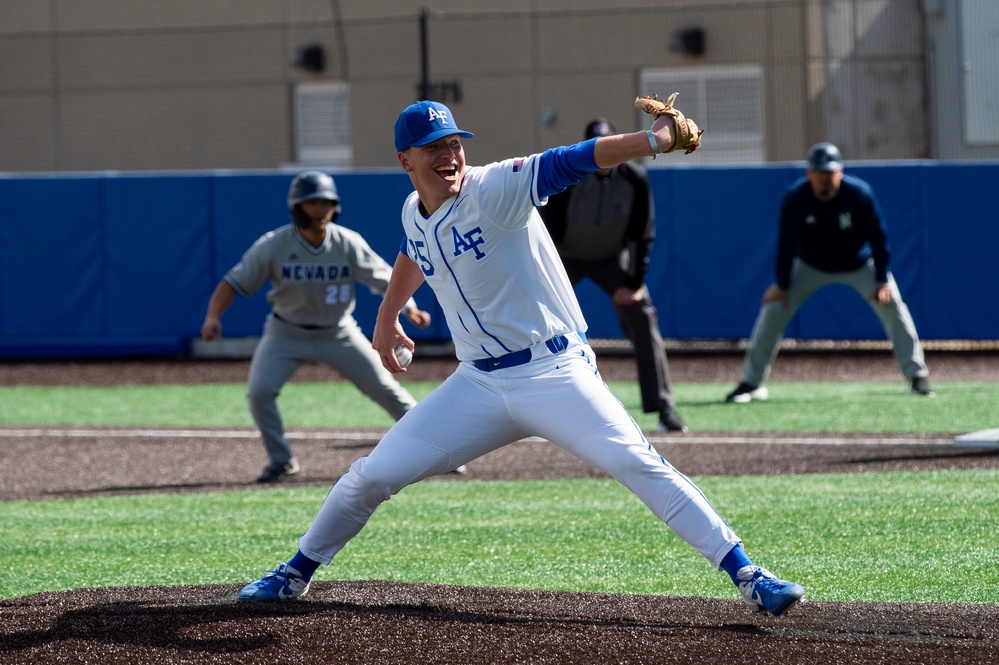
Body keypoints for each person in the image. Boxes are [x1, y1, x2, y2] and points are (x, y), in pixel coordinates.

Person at [235, 100, 805, 617]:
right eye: (434, 148)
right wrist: (386, 320)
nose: (449, 155)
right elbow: (416, 252)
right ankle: (296, 572)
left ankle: (748, 574)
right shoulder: (414, 209)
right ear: (405, 160)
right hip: (477, 386)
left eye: (454, 143)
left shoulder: (494, 189)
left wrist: (651, 141)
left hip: (554, 371)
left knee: (635, 461)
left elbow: (571, 160)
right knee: (369, 476)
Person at [200, 170, 439, 483]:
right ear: (297, 207)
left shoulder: (346, 242)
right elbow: (233, 282)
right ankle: (282, 460)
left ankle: (435, 450)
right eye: (313, 203)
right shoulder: (274, 245)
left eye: (326, 203)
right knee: (259, 392)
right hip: (287, 332)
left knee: (386, 389)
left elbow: (385, 278)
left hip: (337, 331)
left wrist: (409, 308)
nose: (321, 210)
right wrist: (213, 316)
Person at [726, 142, 933, 403]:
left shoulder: (859, 194)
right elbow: (786, 244)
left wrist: (881, 280)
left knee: (893, 305)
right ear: (808, 173)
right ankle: (751, 383)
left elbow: (879, 238)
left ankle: (918, 376)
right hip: (810, 265)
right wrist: (782, 284)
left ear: (841, 171)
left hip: (858, 264)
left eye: (830, 172)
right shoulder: (795, 198)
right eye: (819, 173)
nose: (825, 179)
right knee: (773, 309)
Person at [540, 117, 686, 433]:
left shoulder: (635, 179)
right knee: (534, 314)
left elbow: (642, 234)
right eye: (596, 148)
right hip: (564, 258)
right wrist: (543, 278)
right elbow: (545, 229)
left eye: (608, 146)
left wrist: (633, 283)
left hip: (611, 259)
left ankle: (664, 407)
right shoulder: (567, 177)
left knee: (642, 315)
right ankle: (534, 406)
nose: (603, 155)